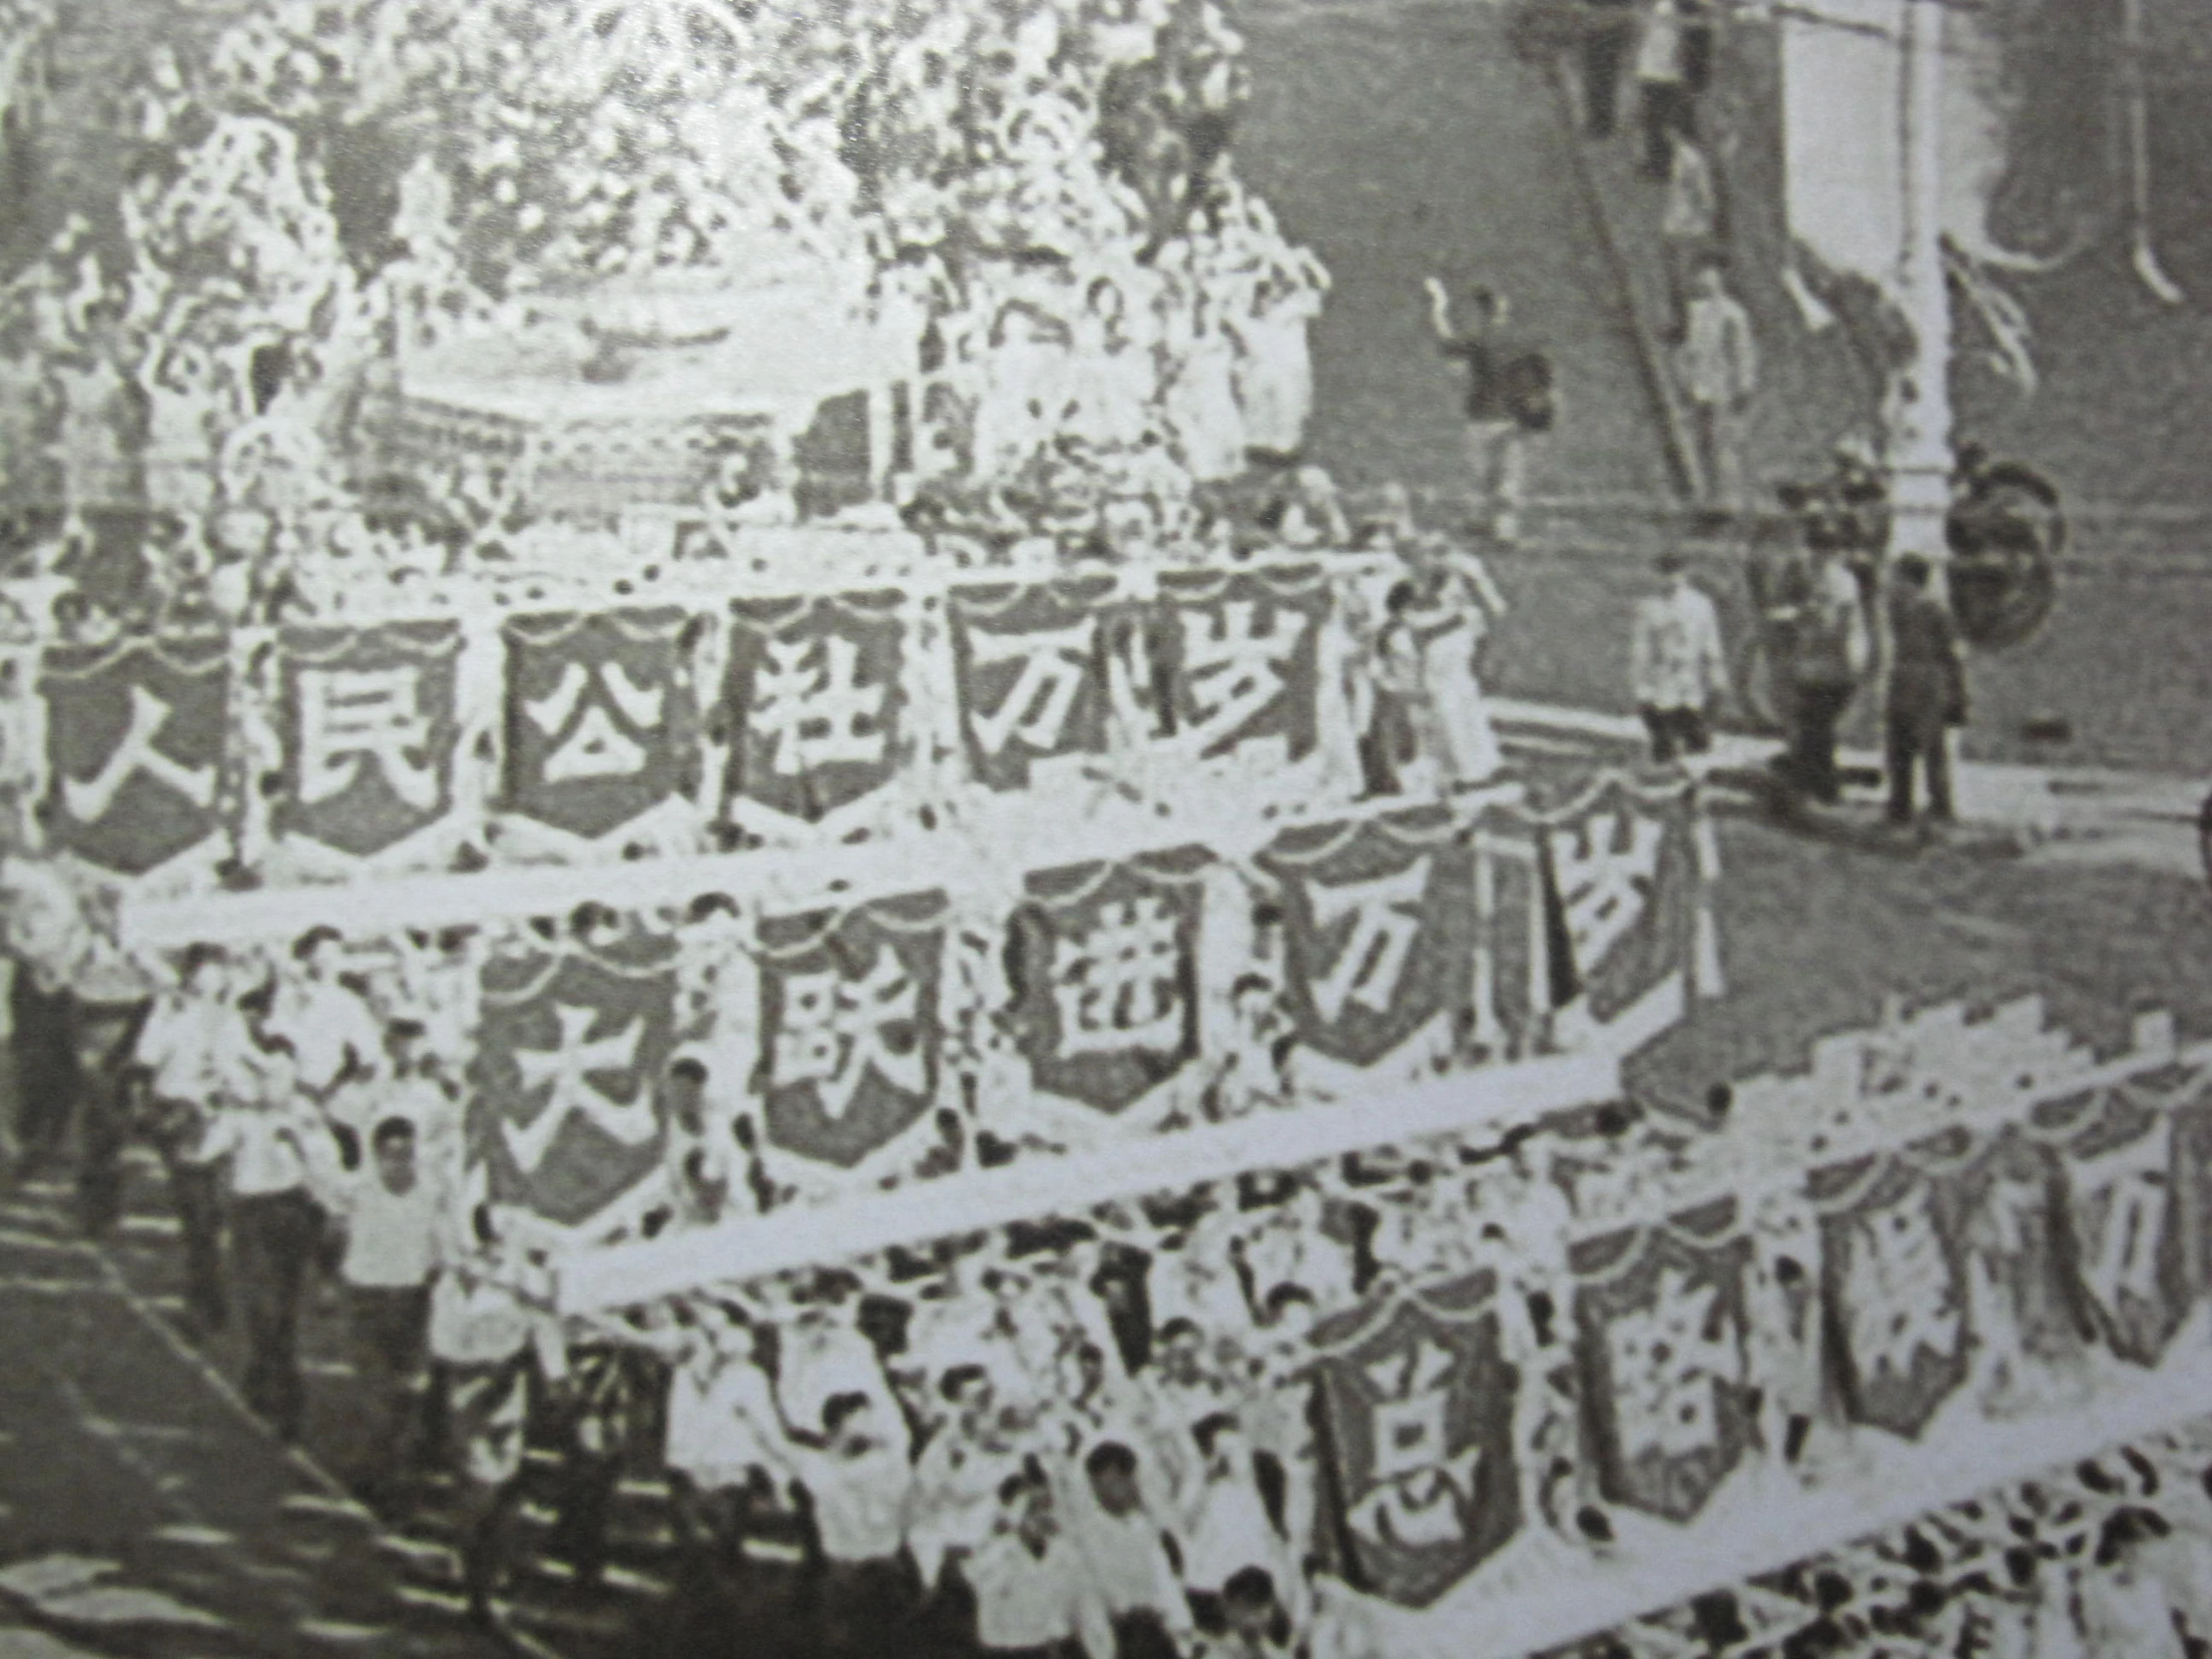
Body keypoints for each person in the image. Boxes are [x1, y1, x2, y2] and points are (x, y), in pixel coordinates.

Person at [197, 1035, 331, 1442]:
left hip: (291, 1211)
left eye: (279, 1073)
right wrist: (214, 1111)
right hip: (250, 1212)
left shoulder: (304, 1114)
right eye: (264, 1074)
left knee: (285, 1303)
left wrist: (302, 1140)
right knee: (259, 1300)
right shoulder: (241, 1117)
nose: (271, 1083)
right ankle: (267, 1370)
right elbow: (204, 1152)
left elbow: (325, 1163)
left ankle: (281, 1385)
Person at [318, 1115, 445, 1506]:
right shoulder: (357, 1189)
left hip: (413, 1299)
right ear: (375, 1156)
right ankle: (379, 1477)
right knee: (378, 1392)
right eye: (390, 1155)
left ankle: (385, 1468)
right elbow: (330, 1230)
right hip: (367, 1300)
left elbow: (442, 1246)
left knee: (408, 1393)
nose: (399, 1164)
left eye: (407, 1154)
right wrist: (329, 1280)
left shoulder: (432, 1192)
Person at [1423, 279, 1553, 546]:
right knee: (1508, 476)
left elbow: (1446, 344)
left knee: (1485, 477)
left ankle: (1490, 525)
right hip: (1513, 419)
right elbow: (1543, 378)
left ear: (1483, 311)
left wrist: (1437, 307)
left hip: (1481, 417)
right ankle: (1504, 529)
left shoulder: (1479, 341)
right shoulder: (1523, 342)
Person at [1767, 541, 1870, 805]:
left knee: (1819, 726)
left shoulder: (1841, 580)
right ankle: (1811, 783)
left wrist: (1799, 616)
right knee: (1813, 725)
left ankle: (1823, 786)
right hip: (1815, 664)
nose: (1816, 556)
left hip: (1833, 664)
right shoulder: (1815, 576)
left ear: (1833, 552)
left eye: (1822, 550)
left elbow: (1833, 621)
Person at [1073, 1440, 1195, 1659]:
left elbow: (1169, 1584)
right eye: (1101, 1484)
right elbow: (1091, 1602)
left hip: (1162, 1634)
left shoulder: (1150, 1528)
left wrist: (1182, 1633)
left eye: (1120, 1480)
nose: (1107, 1492)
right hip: (1121, 1638)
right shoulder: (1087, 1537)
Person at [1884, 555, 1964, 828]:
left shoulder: (1934, 608)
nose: (1893, 582)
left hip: (1929, 681)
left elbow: (1951, 653)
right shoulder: (1897, 606)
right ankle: (1900, 805)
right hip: (1904, 677)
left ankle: (1940, 807)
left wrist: (1957, 692)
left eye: (1898, 577)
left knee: (1932, 746)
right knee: (1899, 744)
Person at [1629, 549, 1730, 763]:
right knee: (1663, 742)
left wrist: (1716, 673)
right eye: (1665, 573)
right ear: (1657, 575)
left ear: (1685, 573)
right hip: (1662, 680)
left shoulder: (1700, 604)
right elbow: (1642, 648)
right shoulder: (1649, 607)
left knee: (1697, 742)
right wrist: (1641, 686)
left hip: (1691, 679)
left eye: (1676, 572)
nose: (1671, 578)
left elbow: (1711, 642)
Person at [1675, 259, 1758, 515]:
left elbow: (1742, 352)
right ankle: (1707, 496)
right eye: (1699, 275)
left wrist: (1744, 384)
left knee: (1724, 441)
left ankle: (1729, 498)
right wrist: (1684, 379)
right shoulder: (1694, 312)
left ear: (1720, 277)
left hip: (1723, 386)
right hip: (1699, 387)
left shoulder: (1733, 313)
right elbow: (1686, 350)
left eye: (1709, 274)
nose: (1704, 280)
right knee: (1702, 441)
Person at [1634, 0, 1694, 179]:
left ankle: (1662, 165)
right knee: (1655, 122)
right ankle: (1660, 164)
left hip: (1660, 74)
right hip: (1658, 73)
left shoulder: (1668, 12)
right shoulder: (1665, 12)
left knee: (1657, 121)